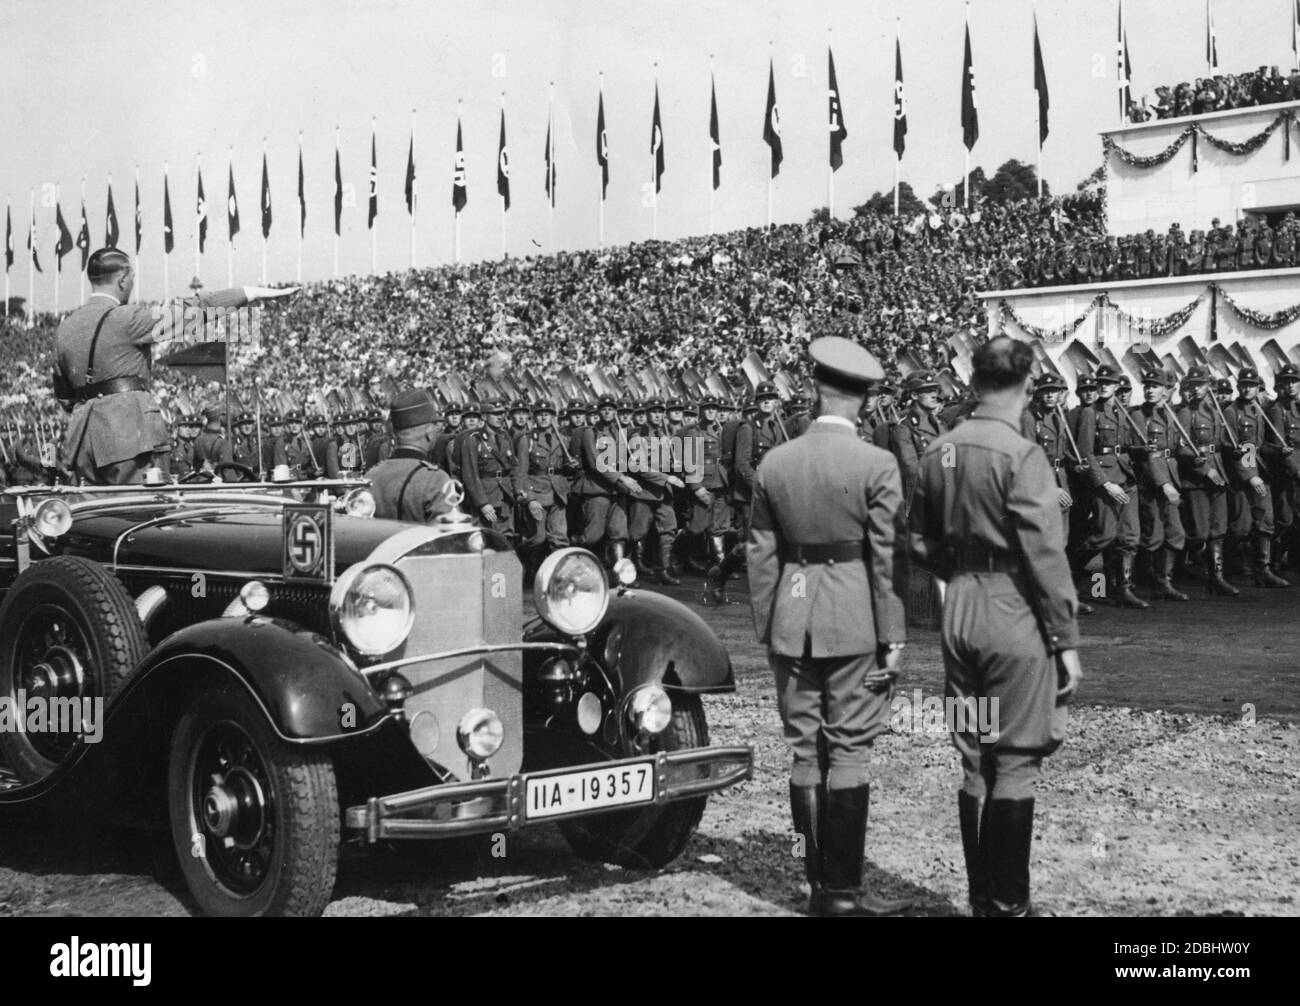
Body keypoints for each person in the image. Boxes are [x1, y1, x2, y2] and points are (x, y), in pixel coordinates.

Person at [909, 336, 1082, 918]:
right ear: (1028, 383)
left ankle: (983, 899)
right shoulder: (1022, 454)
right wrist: (1066, 640)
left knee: (973, 754)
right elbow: (1046, 557)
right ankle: (1008, 906)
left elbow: (916, 538)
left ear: (974, 382)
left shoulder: (940, 450)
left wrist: (957, 573)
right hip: (1013, 611)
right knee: (1015, 759)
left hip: (959, 611)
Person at [747, 335, 910, 918]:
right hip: (854, 618)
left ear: (815, 389)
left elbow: (761, 554)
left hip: (792, 613)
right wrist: (894, 636)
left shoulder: (776, 460)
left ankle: (816, 886)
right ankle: (841, 895)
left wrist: (770, 627)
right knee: (849, 754)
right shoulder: (876, 463)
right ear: (863, 399)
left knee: (803, 752)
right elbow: (887, 559)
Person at [54, 247, 296, 484]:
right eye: (132, 279)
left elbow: (65, 398)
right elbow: (192, 311)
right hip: (127, 435)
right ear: (123, 279)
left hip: (81, 438)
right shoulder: (127, 318)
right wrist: (248, 293)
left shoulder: (64, 329)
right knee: (141, 512)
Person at [365, 388, 457, 523]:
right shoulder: (435, 480)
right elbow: (448, 539)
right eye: (435, 426)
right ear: (429, 433)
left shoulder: (370, 477)